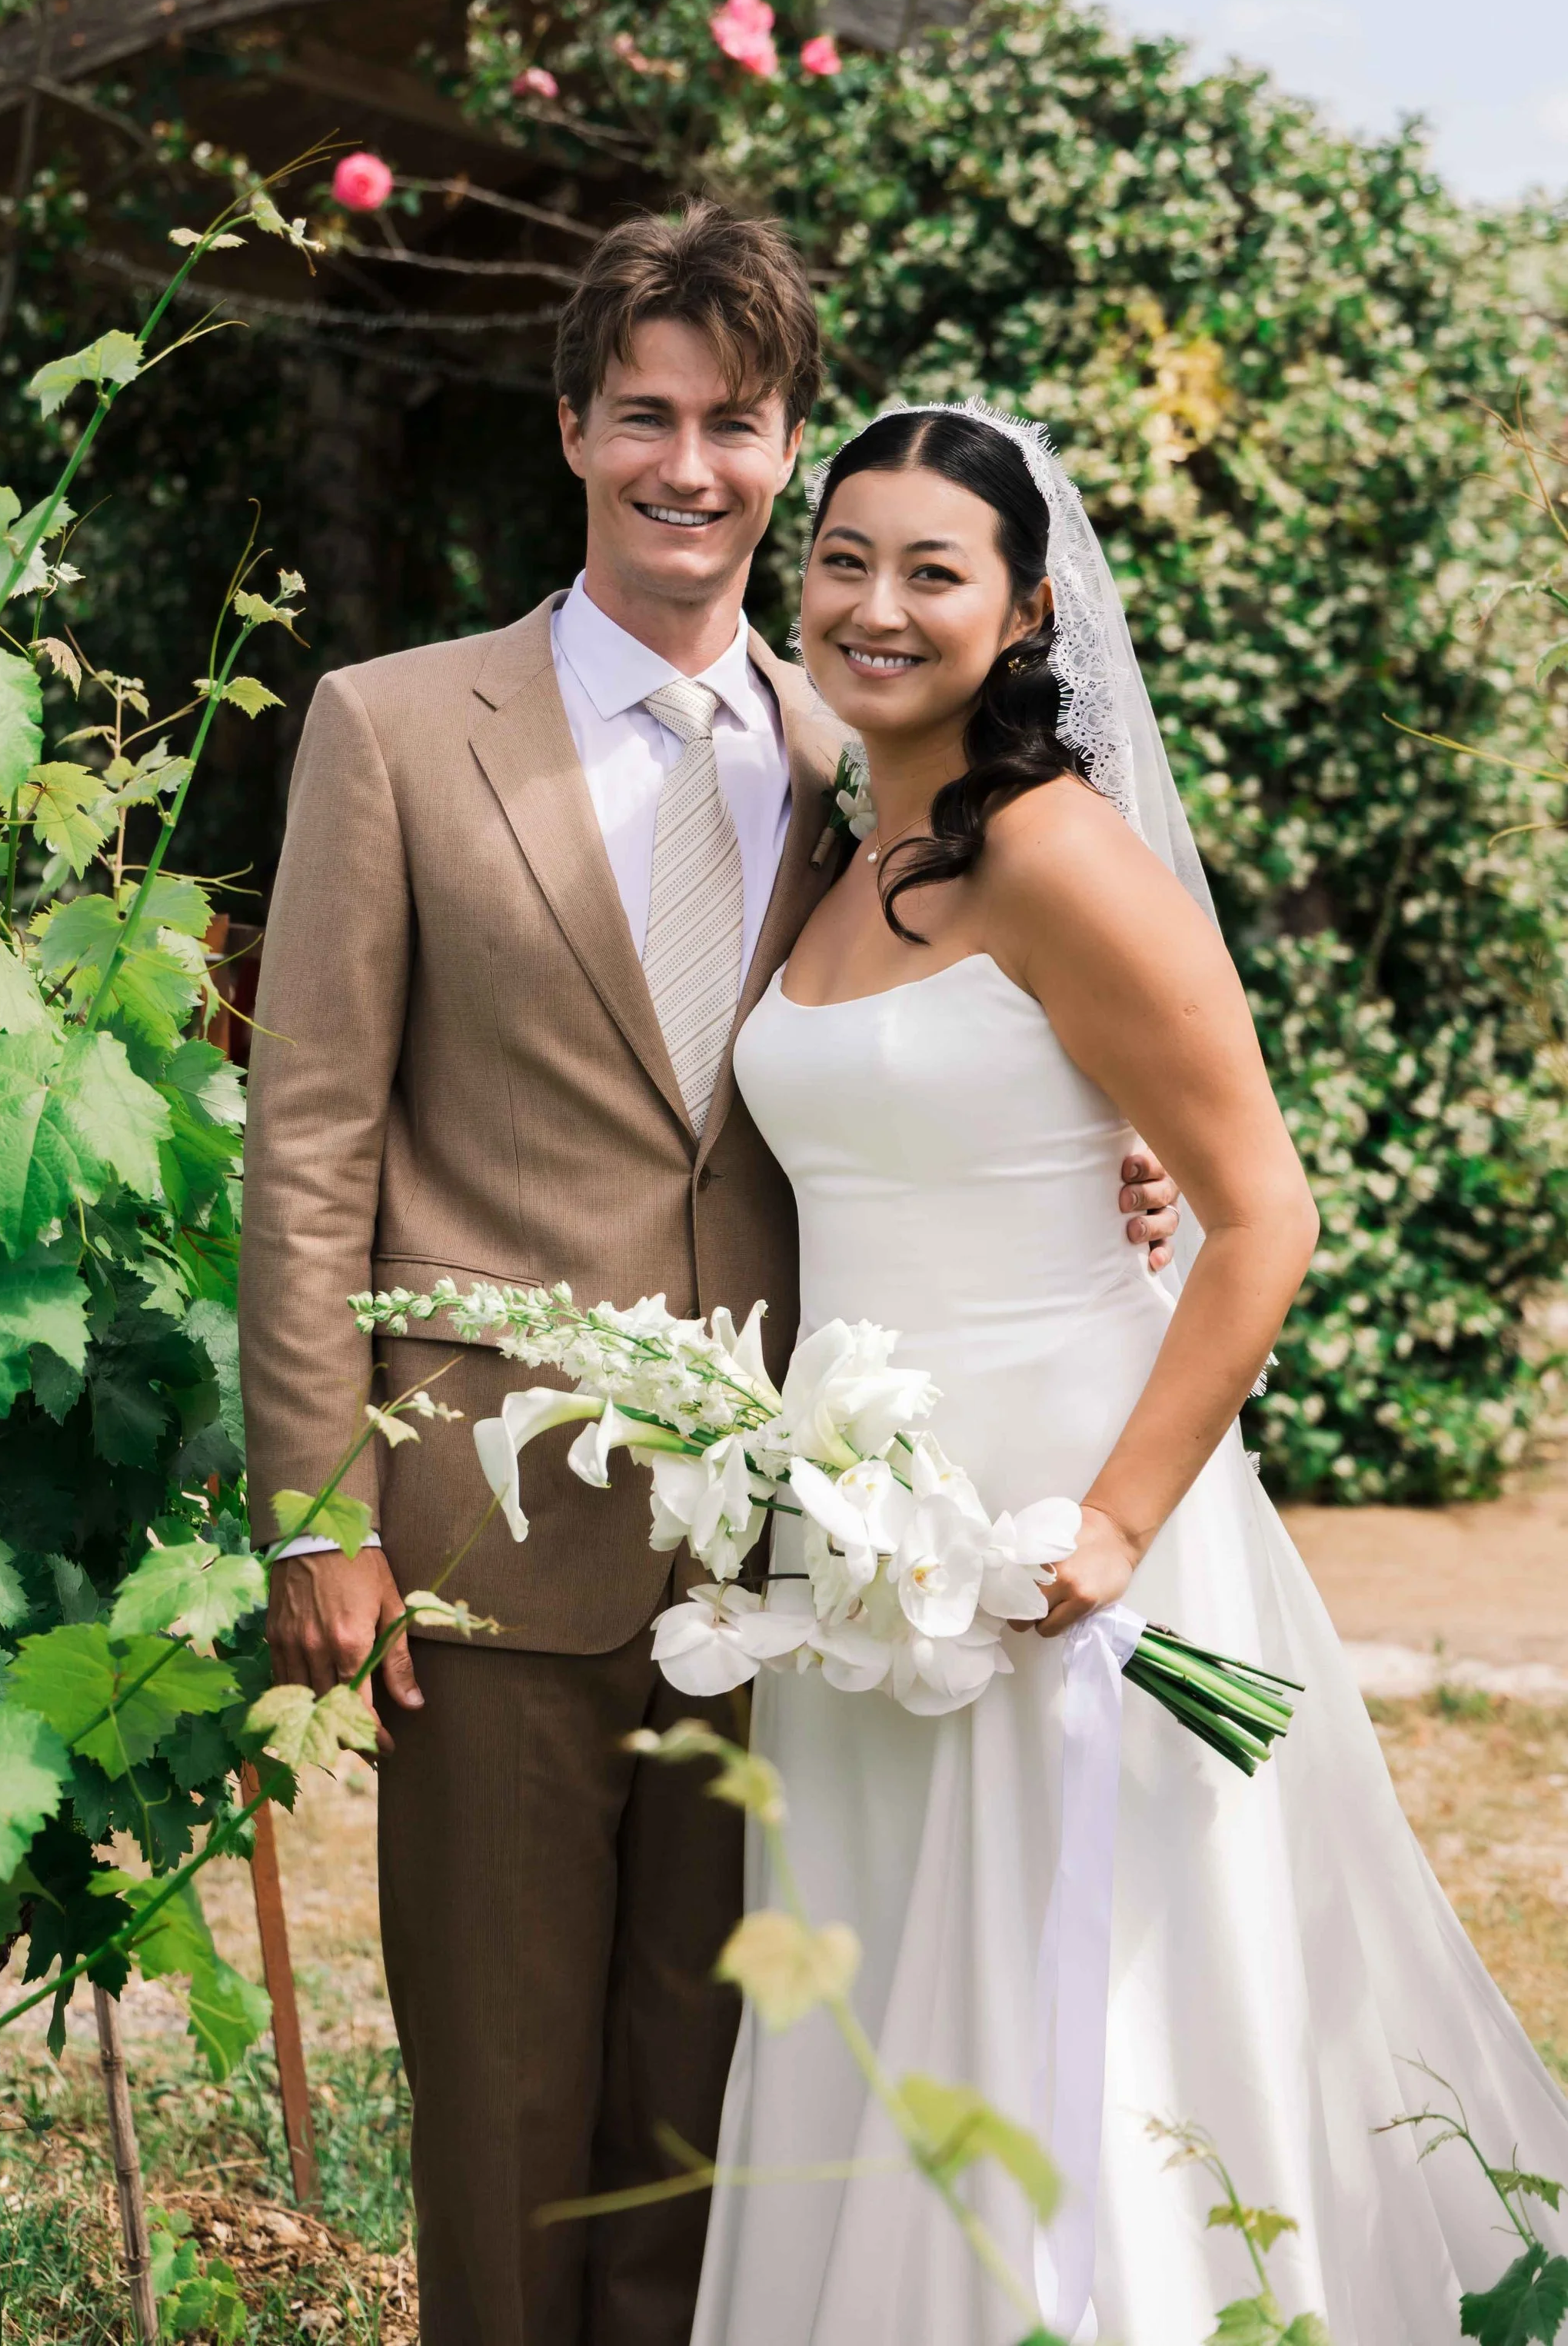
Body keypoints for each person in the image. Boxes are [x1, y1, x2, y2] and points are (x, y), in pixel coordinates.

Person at [236, 209, 1182, 2346]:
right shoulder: (390, 727)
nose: (691, 463)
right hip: (480, 1525)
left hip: (800, 1552)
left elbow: (983, 1019)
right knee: (498, 2094)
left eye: (737, 423)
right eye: (644, 413)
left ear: (783, 452)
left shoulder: (861, 748)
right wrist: (315, 1502)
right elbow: (305, 1146)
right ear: (570, 427)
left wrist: (1104, 1150)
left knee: (717, 2099)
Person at [693, 402, 1568, 2346]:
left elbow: (1262, 1211)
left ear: (1022, 618)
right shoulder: (846, 836)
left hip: (1056, 1532)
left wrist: (1108, 1522)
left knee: (1087, 2006)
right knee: (887, 1979)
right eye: (843, 557)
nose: (874, 604)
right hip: (854, 1544)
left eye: (935, 572)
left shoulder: (1054, 856)